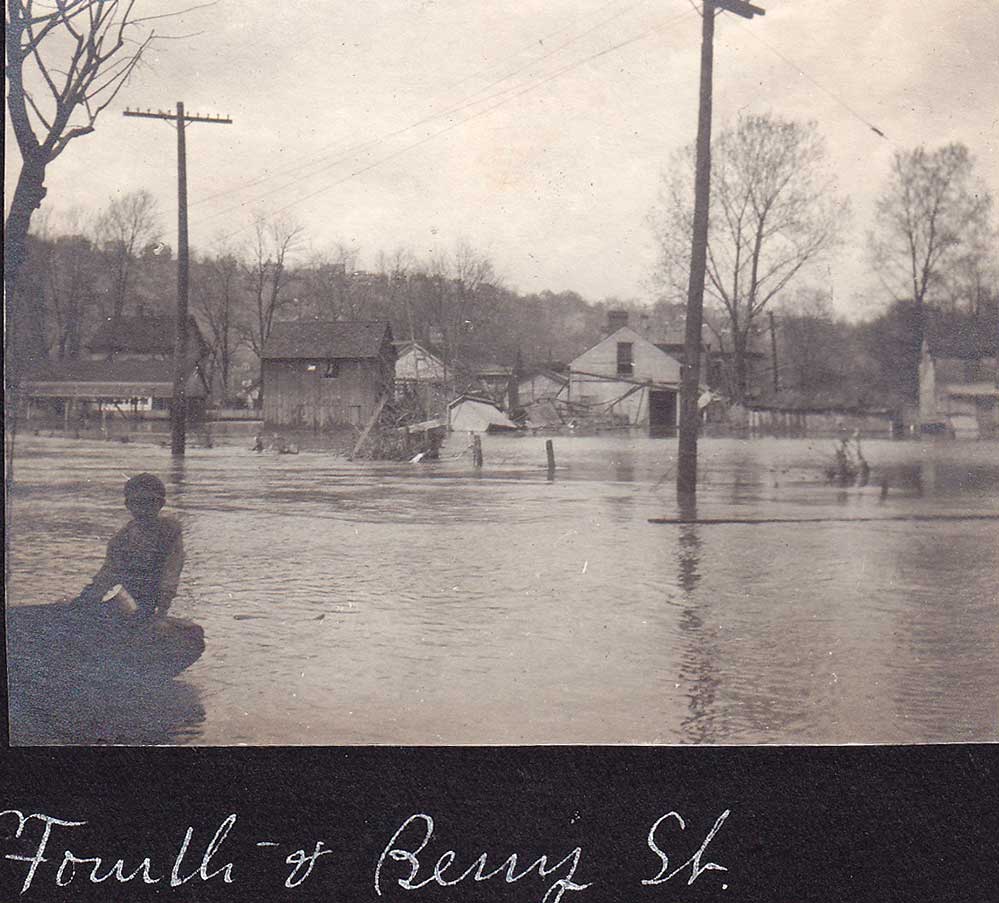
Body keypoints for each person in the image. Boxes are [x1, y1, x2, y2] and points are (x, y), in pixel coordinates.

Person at [73, 473, 184, 621]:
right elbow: (107, 576)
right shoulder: (121, 539)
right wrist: (84, 602)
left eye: (149, 502)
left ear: (161, 504)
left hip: (153, 601)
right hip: (129, 601)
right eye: (137, 503)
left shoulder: (169, 532)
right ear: (128, 505)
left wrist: (161, 612)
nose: (143, 509)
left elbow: (171, 574)